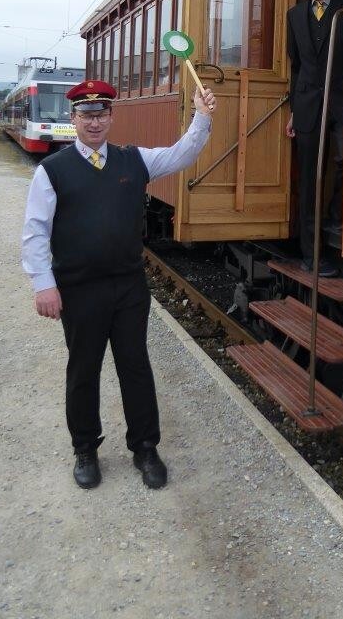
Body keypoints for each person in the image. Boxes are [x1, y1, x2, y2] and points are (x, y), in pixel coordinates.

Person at [21, 78, 216, 491]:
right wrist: (44, 284)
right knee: (83, 370)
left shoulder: (134, 161)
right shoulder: (52, 172)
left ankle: (145, 448)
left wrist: (202, 115)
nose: (95, 122)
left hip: (128, 287)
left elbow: (181, 155)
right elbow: (35, 231)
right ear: (73, 118)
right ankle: (85, 449)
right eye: (87, 115)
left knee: (135, 366)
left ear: (111, 116)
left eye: (102, 113)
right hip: (78, 289)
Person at [285, 0, 343, 277]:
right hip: (308, 107)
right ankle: (310, 255)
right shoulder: (294, 15)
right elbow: (296, 68)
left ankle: (338, 225)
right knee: (310, 181)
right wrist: (294, 110)